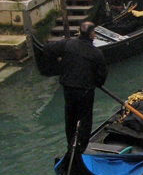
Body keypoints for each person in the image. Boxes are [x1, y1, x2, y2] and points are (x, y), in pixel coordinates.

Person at [43, 21, 108, 152]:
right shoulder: (96, 53)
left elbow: (48, 49)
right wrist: (95, 81)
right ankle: (81, 149)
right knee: (85, 121)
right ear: (91, 34)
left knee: (70, 119)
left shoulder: (68, 44)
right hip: (85, 91)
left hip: (69, 90)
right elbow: (101, 77)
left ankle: (70, 146)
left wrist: (60, 64)